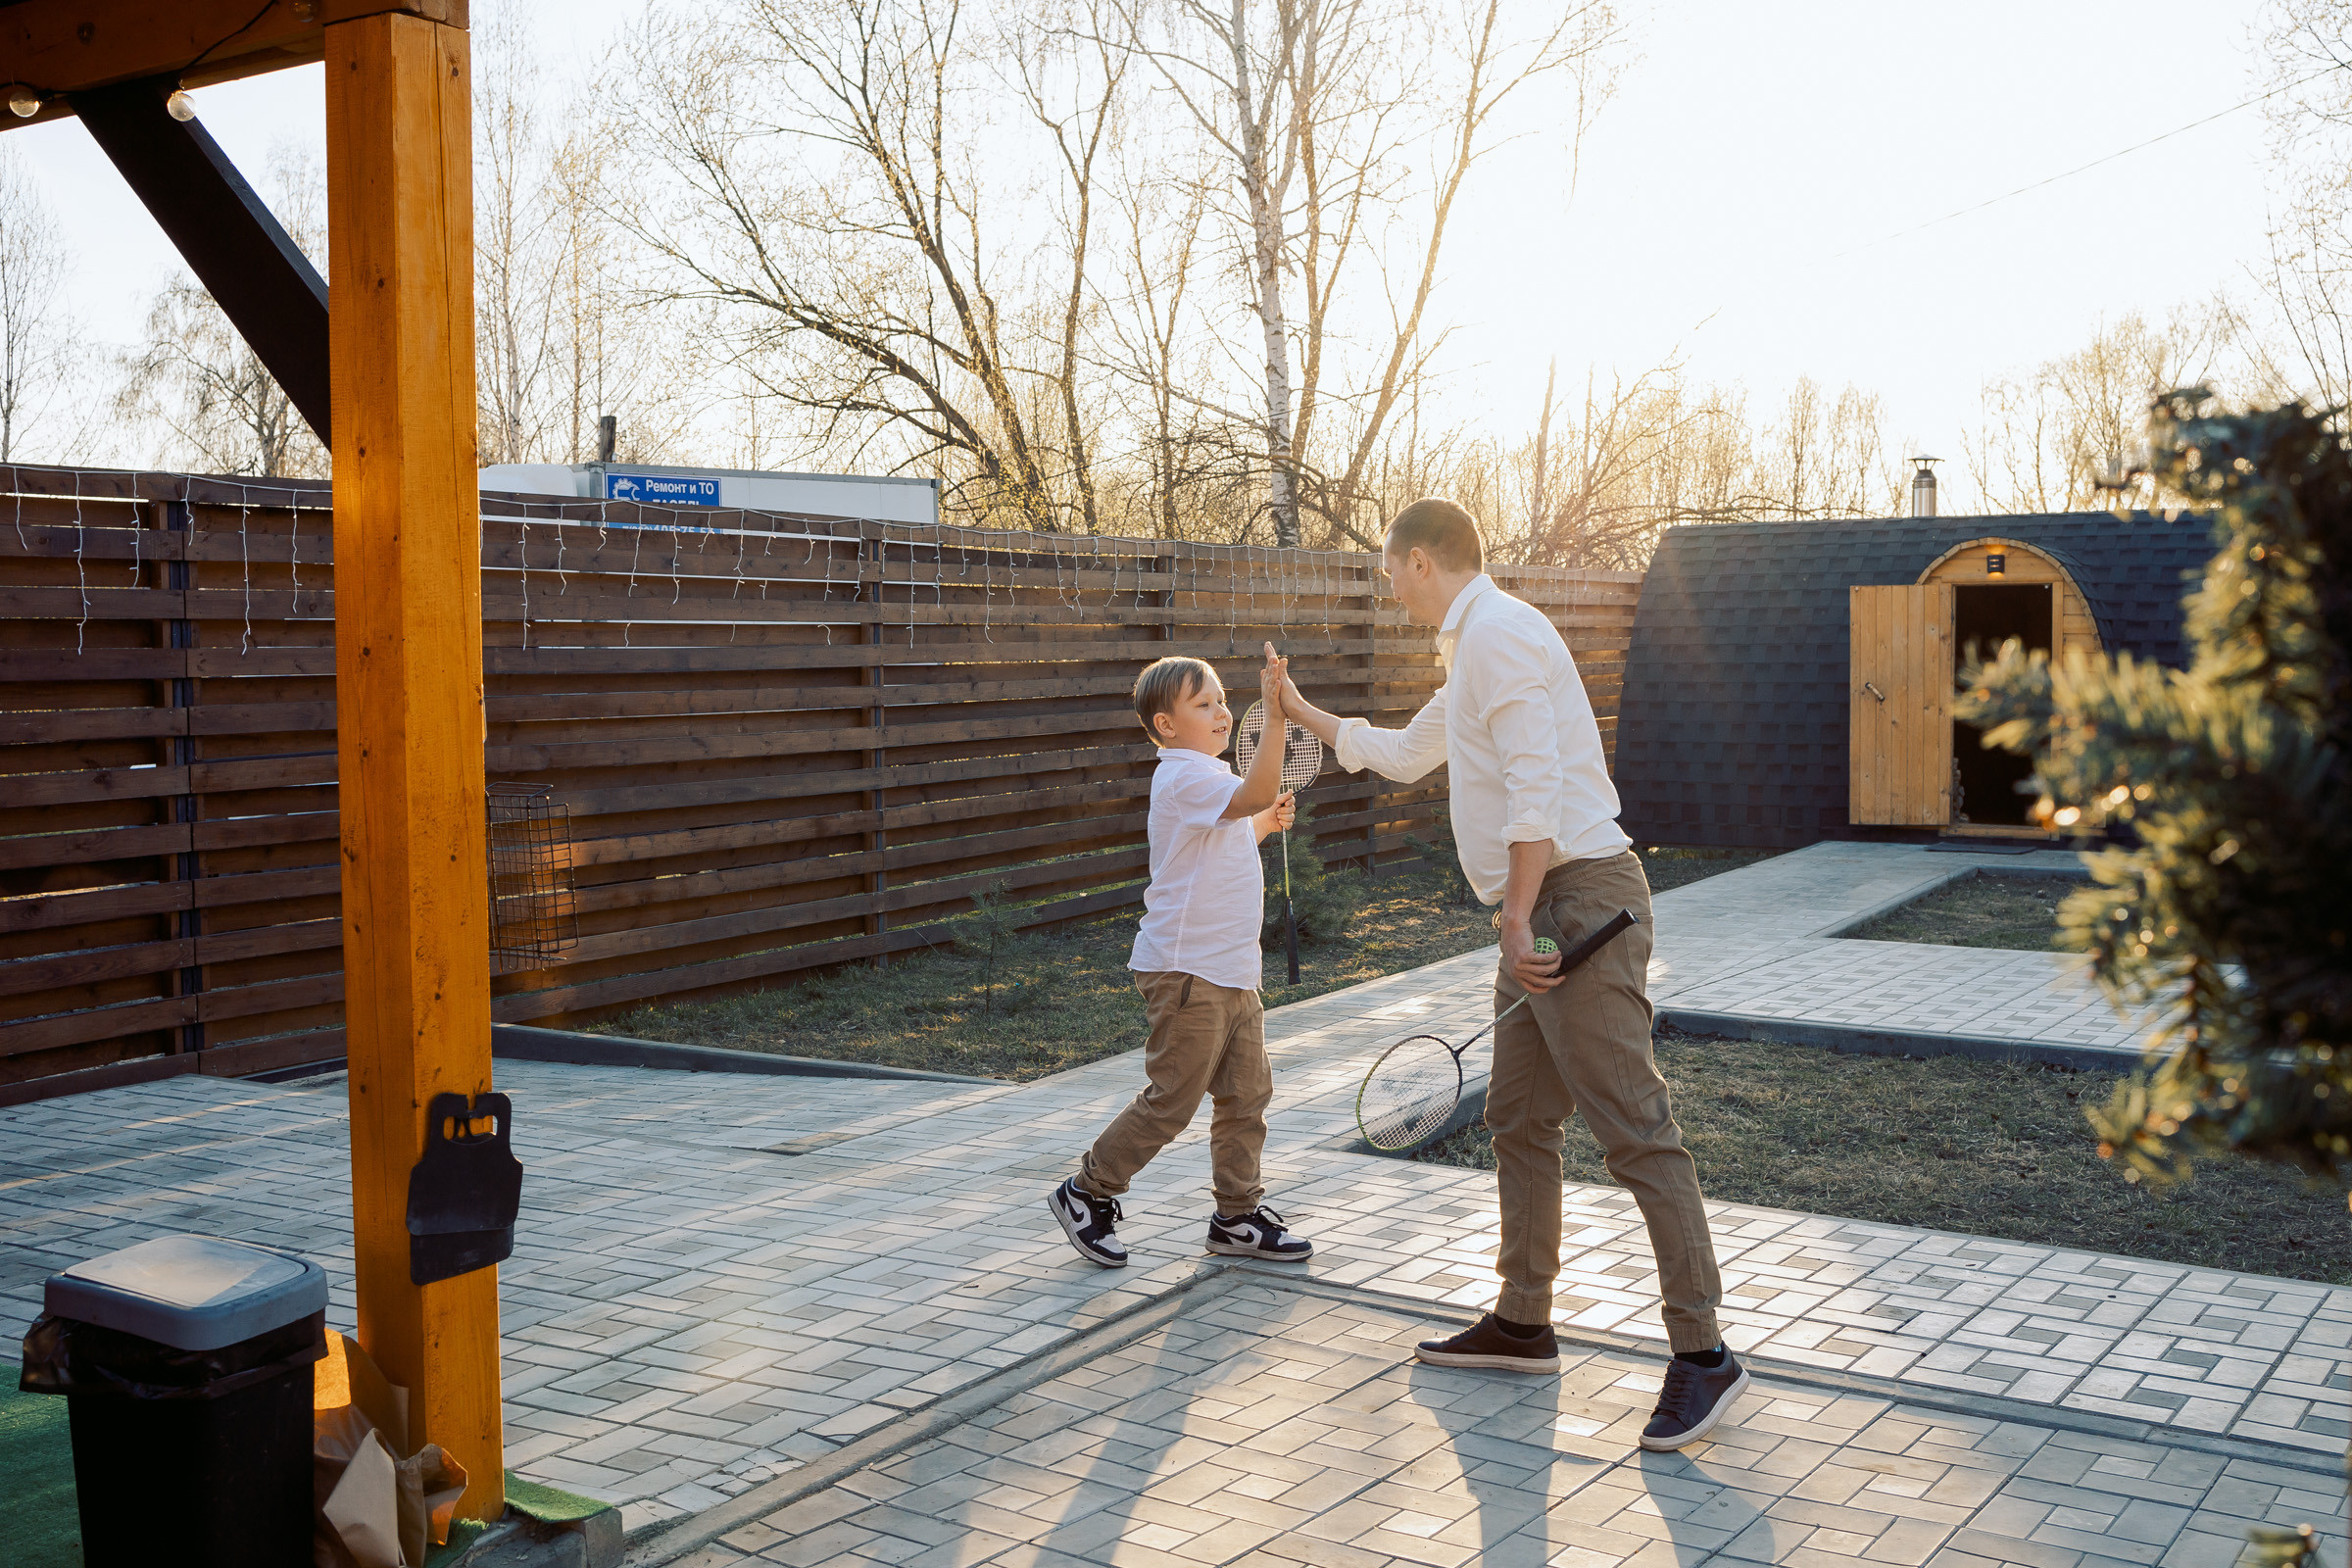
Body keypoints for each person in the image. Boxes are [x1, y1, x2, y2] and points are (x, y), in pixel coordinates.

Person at [1272, 498, 1747, 1450]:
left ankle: (1704, 1354)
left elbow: (1537, 789)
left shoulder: (1497, 636)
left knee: (1635, 1129)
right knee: (1519, 1118)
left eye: (1387, 568)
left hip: (1578, 906)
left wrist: (1520, 914)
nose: (1385, 583)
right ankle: (1524, 1321)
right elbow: (1405, 755)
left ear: (1419, 562)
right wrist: (1297, 712)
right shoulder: (1476, 644)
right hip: (1542, 904)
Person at [1047, 646, 1314, 1270]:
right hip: (1187, 970)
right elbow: (1255, 790)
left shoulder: (1209, 781)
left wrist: (1263, 826)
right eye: (1205, 704)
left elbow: (1228, 835)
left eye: (1223, 700)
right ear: (1166, 726)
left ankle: (1237, 1217)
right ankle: (1088, 1191)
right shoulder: (1182, 774)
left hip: (1231, 972)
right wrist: (1275, 717)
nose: (1223, 713)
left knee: (1247, 1094)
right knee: (1173, 1099)